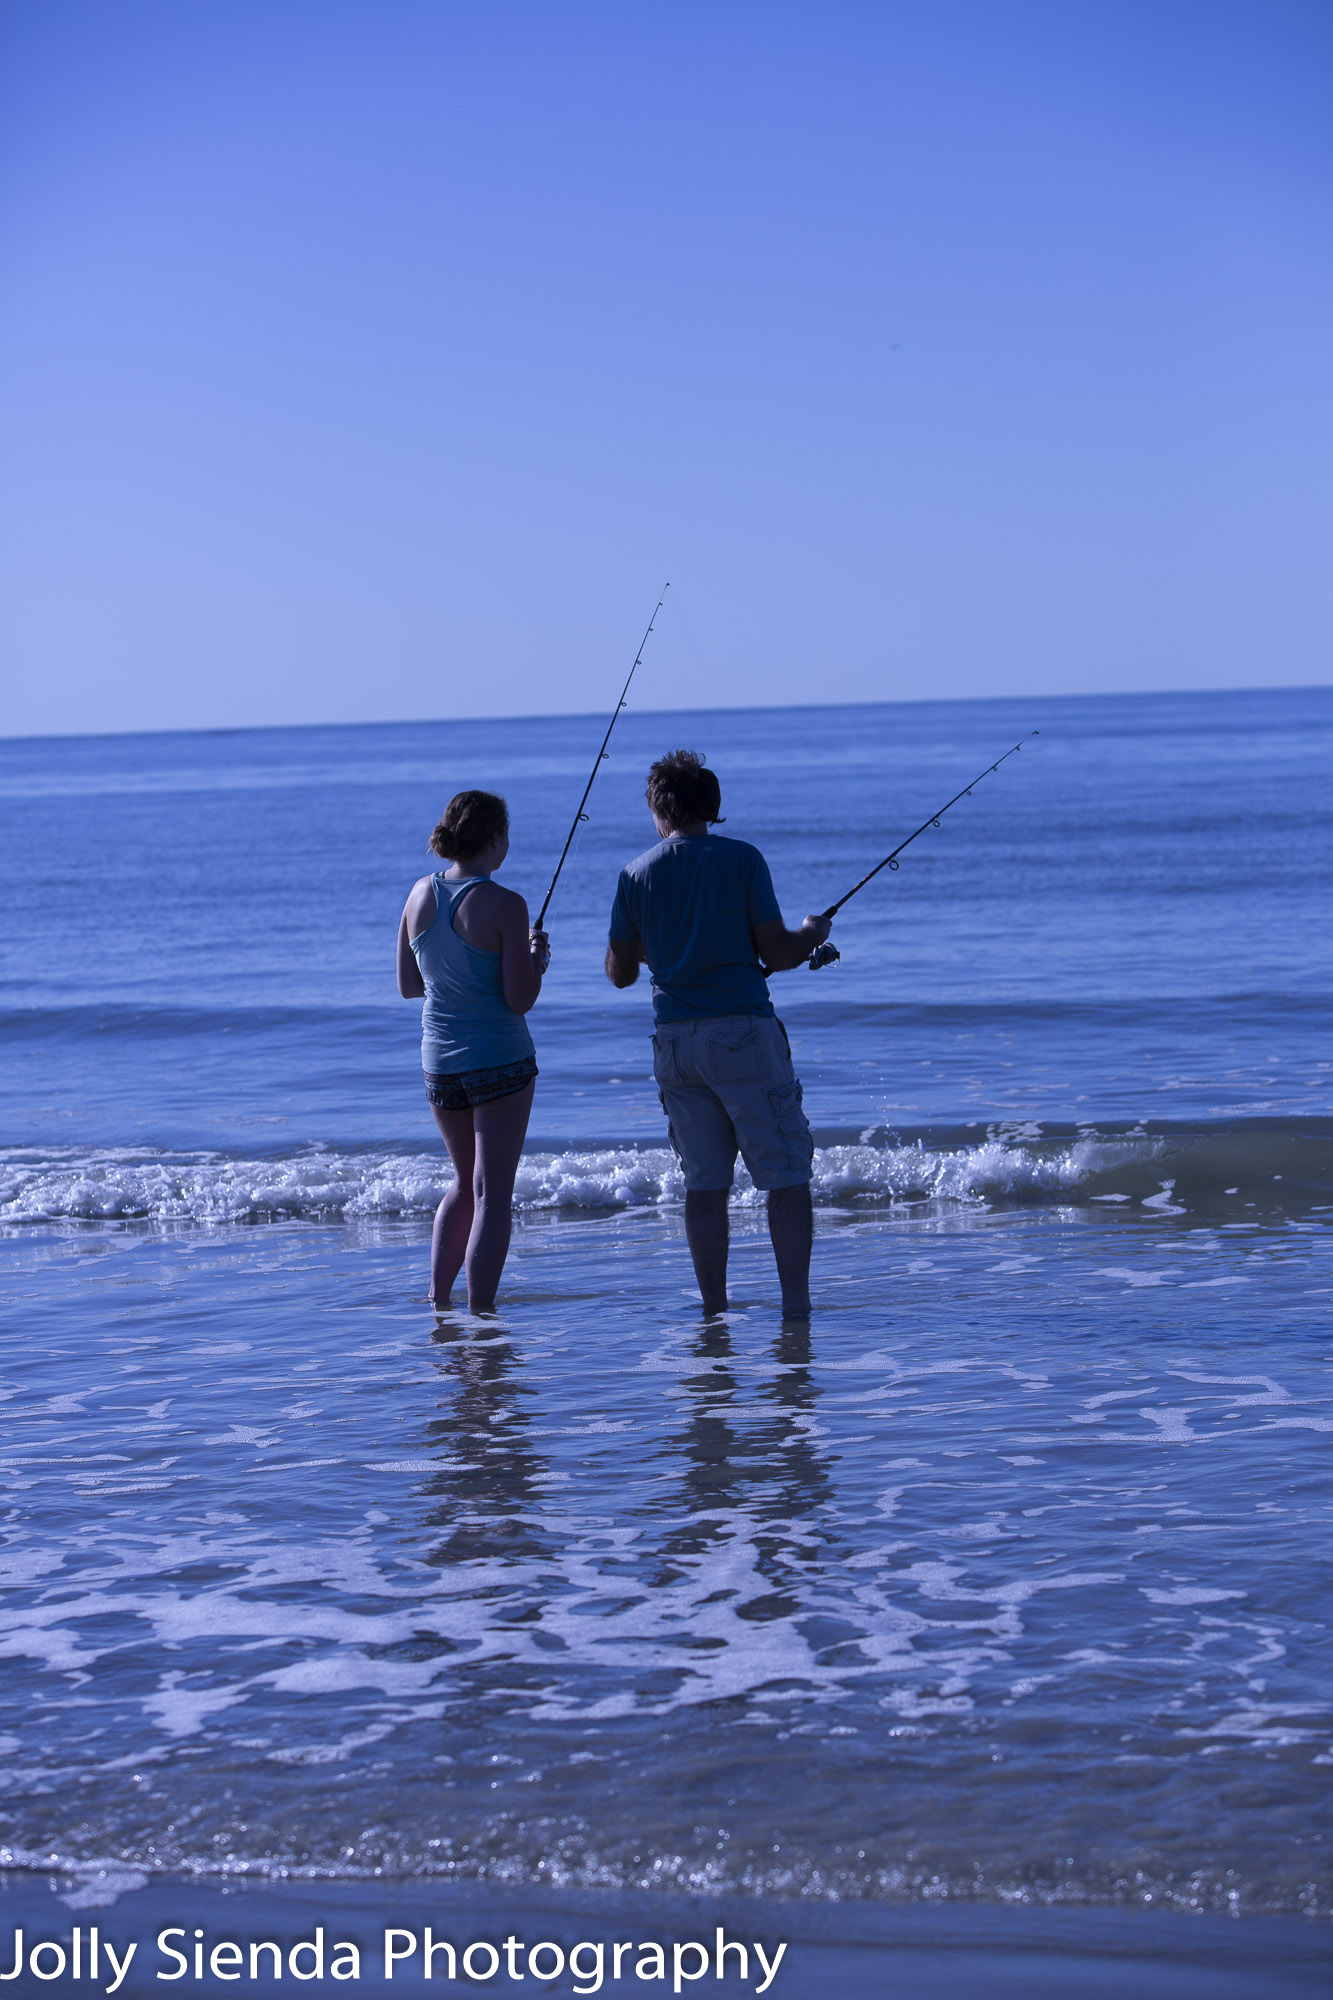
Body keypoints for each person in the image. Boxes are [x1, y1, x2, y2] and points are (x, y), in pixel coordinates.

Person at [604, 749, 831, 1317]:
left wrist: (654, 945)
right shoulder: (742, 859)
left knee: (705, 1185)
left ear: (659, 810)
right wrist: (810, 933)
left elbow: (621, 973)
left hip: (675, 1043)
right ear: (713, 806)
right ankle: (796, 1310)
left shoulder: (635, 874)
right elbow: (776, 955)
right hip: (743, 1035)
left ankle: (714, 1311)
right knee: (785, 1177)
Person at [397, 790, 546, 1312]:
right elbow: (519, 998)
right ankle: (481, 1315)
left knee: (463, 1184)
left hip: (439, 1064)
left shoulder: (419, 895)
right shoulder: (506, 903)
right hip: (499, 1059)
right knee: (493, 1195)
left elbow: (409, 985)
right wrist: (535, 961)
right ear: (496, 838)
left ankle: (439, 1304)